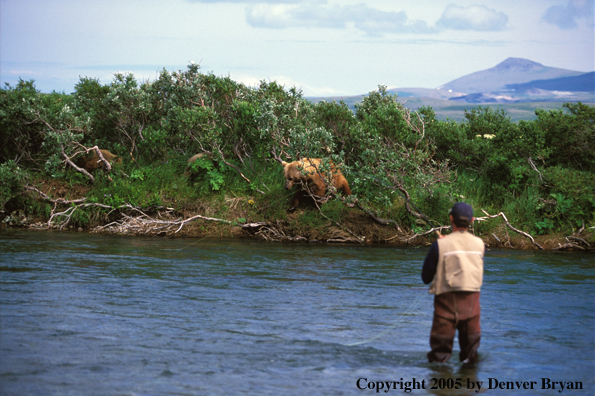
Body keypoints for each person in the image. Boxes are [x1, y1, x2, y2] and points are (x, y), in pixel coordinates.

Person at [421, 202, 485, 364]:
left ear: (451, 218)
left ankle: (441, 388)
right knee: (470, 359)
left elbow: (426, 277)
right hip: (471, 307)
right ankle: (468, 387)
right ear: (472, 221)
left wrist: (442, 247)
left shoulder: (440, 244)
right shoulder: (480, 245)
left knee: (438, 359)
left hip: (445, 307)